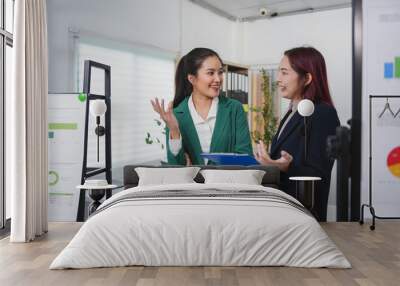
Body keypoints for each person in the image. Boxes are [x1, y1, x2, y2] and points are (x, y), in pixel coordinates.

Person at [254, 47, 340, 221]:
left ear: (307, 78)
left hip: (302, 214)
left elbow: (319, 172)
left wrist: (284, 166)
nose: (278, 79)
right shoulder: (292, 111)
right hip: (282, 209)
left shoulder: (323, 114)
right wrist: (267, 162)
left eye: (284, 73)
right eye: (279, 72)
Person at [151, 48, 252, 165]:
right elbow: (175, 167)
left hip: (227, 182)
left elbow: (246, 158)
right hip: (192, 183)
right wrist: (174, 130)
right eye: (210, 73)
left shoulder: (234, 109)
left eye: (220, 72)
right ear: (192, 79)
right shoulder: (176, 115)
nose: (218, 79)